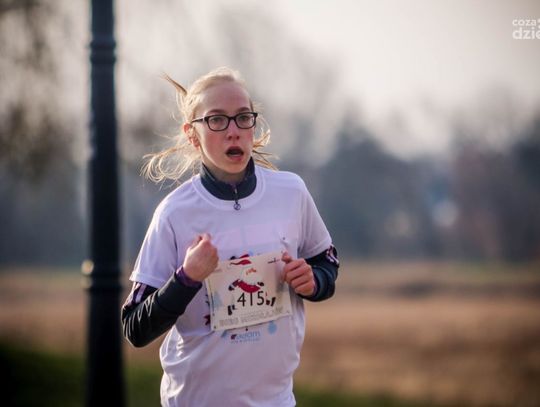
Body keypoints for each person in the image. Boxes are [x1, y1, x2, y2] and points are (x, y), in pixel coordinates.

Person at [122, 66, 339, 407]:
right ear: (192, 134)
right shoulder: (174, 213)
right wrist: (186, 278)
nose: (233, 131)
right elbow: (134, 327)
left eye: (243, 118)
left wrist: (313, 281)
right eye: (217, 120)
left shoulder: (291, 192)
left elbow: (327, 263)